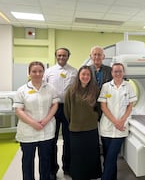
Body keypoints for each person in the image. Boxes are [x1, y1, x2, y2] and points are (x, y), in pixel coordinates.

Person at [13, 61, 59, 180]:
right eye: (34, 71)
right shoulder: (22, 90)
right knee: (28, 161)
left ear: (44, 72)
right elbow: (19, 110)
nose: (37, 74)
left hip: (46, 130)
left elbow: (55, 105)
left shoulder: (50, 88)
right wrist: (33, 123)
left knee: (45, 160)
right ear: (29, 73)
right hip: (28, 131)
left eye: (40, 71)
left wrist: (46, 120)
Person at [98, 63, 137, 180]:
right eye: (115, 71)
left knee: (111, 156)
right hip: (107, 126)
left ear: (123, 73)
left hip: (121, 128)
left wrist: (122, 120)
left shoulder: (128, 86)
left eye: (120, 71)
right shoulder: (106, 87)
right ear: (112, 73)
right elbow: (103, 107)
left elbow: (130, 106)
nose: (118, 73)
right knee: (108, 157)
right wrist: (116, 122)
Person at [64, 65, 102, 180]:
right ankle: (78, 175)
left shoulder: (95, 90)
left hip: (91, 128)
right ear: (79, 76)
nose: (85, 77)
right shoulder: (71, 90)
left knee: (91, 154)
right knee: (77, 155)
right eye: (83, 74)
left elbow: (99, 108)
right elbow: (67, 110)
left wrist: (95, 117)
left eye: (88, 74)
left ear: (91, 77)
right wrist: (74, 121)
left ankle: (92, 175)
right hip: (76, 128)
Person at [44, 47, 77, 179]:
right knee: (52, 139)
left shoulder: (74, 71)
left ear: (68, 56)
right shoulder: (49, 71)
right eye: (59, 55)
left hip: (69, 108)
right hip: (53, 108)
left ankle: (68, 167)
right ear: (56, 56)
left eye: (64, 55)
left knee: (69, 140)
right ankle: (53, 169)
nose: (61, 58)